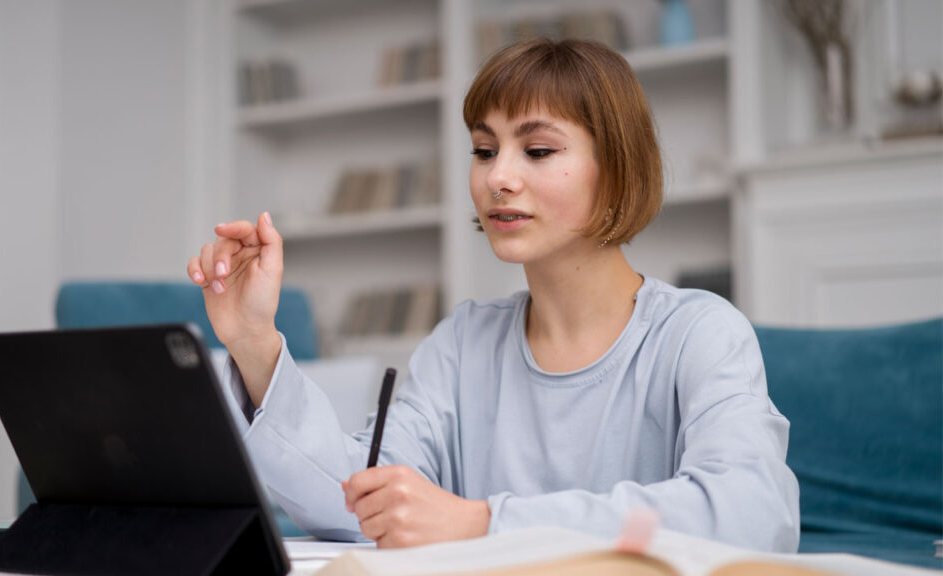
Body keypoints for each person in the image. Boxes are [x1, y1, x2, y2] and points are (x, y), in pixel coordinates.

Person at [187, 38, 800, 552]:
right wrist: (254, 341)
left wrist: (484, 523)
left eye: (537, 150)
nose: (497, 177)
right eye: (484, 150)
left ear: (616, 170)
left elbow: (753, 513)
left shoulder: (700, 332)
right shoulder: (463, 342)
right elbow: (360, 503)